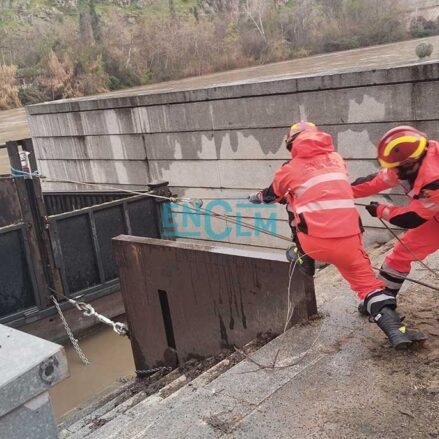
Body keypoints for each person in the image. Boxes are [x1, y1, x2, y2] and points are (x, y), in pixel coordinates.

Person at [249, 121, 425, 350]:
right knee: (369, 287)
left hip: (314, 242)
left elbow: (273, 194)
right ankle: (395, 331)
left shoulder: (289, 168)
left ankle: (303, 258)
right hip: (350, 240)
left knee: (293, 208)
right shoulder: (337, 161)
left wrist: (256, 197)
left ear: (292, 144)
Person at [352, 125, 439, 310]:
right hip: (434, 214)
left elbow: (413, 218)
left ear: (410, 163)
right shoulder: (408, 163)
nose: (394, 172)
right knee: (402, 253)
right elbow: (374, 181)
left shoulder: (433, 179)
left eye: (396, 168)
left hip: (428, 212)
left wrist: (381, 211)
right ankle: (382, 301)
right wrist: (341, 191)